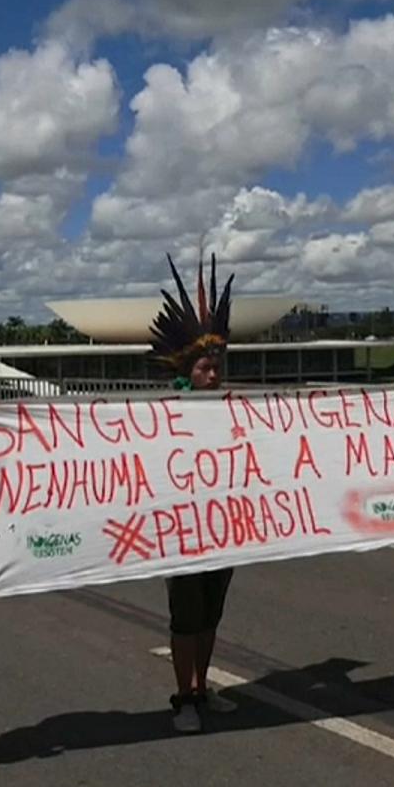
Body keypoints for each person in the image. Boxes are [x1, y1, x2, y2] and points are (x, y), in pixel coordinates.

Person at [148, 252, 241, 734]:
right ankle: (183, 695)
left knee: (211, 615)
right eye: (207, 367)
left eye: (218, 366)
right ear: (189, 370)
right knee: (185, 618)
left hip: (225, 526)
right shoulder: (166, 412)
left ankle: (203, 686)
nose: (215, 374)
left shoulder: (232, 409)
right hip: (181, 530)